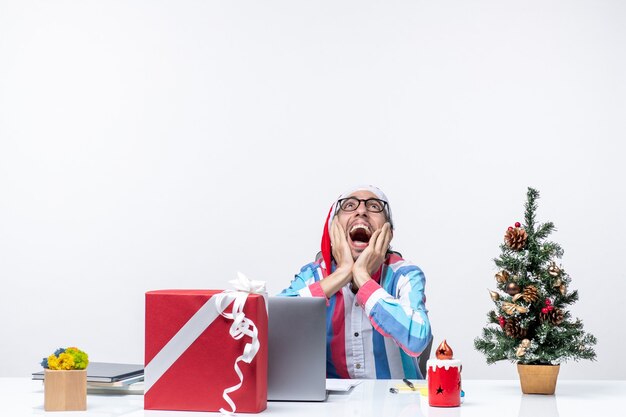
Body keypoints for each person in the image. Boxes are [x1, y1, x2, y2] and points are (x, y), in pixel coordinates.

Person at [279, 185, 432, 379]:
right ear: (333, 229)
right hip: (329, 406)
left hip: (398, 403)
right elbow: (272, 329)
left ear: (388, 233)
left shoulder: (405, 275)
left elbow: (417, 339)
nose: (361, 211)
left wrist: (363, 279)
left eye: (374, 207)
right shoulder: (312, 275)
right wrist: (340, 274)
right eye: (349, 205)